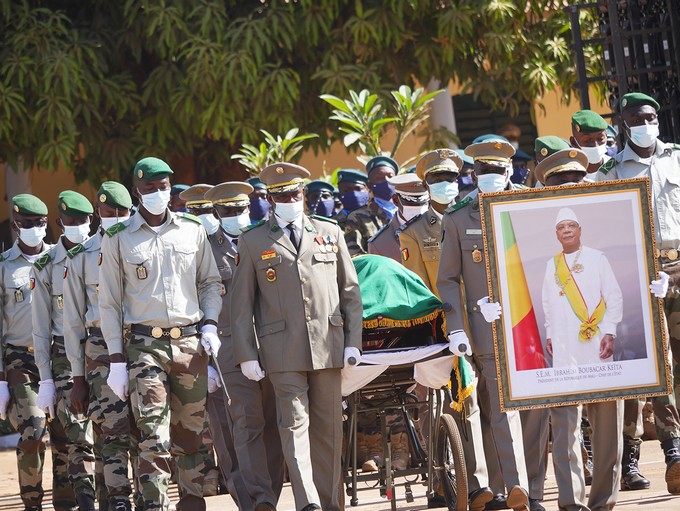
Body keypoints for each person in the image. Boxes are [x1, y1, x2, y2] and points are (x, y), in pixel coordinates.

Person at [230, 162, 363, 511]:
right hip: (281, 349)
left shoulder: (330, 232)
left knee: (328, 430)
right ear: (271, 200)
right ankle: (308, 503)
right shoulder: (254, 239)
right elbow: (241, 304)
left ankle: (330, 502)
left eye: (293, 193)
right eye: (281, 195)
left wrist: (353, 341)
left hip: (328, 344)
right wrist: (246, 354)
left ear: (303, 193)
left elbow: (349, 290)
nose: (289, 199)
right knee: (293, 425)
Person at [98, 157, 222, 511]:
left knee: (191, 437)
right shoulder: (118, 239)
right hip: (144, 347)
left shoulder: (191, 229)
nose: (158, 193)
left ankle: (191, 503)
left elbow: (210, 282)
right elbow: (109, 304)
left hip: (189, 345)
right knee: (153, 434)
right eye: (150, 188)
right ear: (137, 191)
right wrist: (117, 360)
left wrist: (210, 324)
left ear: (171, 188)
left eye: (163, 187)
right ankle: (155, 505)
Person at [437, 139, 532, 511]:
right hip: (486, 329)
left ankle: (521, 482)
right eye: (482, 171)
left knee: (532, 412)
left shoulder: (529, 204)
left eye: (496, 170)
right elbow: (448, 279)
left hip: (533, 325)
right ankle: (516, 486)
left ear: (510, 170)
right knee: (501, 408)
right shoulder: (459, 217)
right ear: (472, 173)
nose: (489, 176)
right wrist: (459, 323)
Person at [597, 92, 680, 493]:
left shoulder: (676, 157)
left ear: (657, 118)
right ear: (624, 125)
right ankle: (640, 457)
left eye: (649, 116)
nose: (644, 123)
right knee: (646, 369)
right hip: (637, 277)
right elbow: (599, 223)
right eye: (635, 118)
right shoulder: (611, 171)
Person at [202, 182, 285, 511]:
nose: (235, 216)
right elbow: (198, 302)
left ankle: (270, 497)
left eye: (240, 209)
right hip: (229, 350)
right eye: (228, 211)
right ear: (217, 213)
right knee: (246, 423)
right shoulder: (205, 250)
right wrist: (204, 357)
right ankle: (258, 501)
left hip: (271, 346)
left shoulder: (265, 240)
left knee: (274, 427)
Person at [63, 182, 137, 511]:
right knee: (113, 431)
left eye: (123, 213)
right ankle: (119, 500)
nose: (117, 218)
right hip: (101, 351)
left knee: (148, 427)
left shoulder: (143, 243)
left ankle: (149, 499)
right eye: (110, 213)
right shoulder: (81, 257)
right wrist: (77, 377)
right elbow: (73, 323)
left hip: (141, 341)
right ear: (98, 214)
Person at [0, 194, 77, 511]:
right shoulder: (4, 267)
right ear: (16, 227)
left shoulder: (62, 260)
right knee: (33, 428)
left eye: (40, 223)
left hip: (59, 355)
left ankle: (66, 501)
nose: (34, 228)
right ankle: (32, 503)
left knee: (64, 431)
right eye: (27, 224)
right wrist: (1, 380)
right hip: (21, 358)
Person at [32, 190, 97, 511]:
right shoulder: (46, 264)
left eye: (83, 220)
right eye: (71, 221)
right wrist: (45, 379)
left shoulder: (104, 252)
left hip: (103, 350)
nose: (78, 226)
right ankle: (85, 500)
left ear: (92, 220)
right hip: (64, 359)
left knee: (109, 431)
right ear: (59, 224)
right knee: (78, 429)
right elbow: (40, 327)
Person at [401, 148, 462, 296]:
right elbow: (420, 289)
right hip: (446, 314)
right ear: (424, 185)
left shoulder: (474, 219)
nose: (445, 184)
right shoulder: (413, 233)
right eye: (437, 180)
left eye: (450, 179)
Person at [368, 173, 428, 262]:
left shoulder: (443, 229)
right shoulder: (379, 243)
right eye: (411, 201)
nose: (418, 206)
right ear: (396, 200)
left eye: (423, 202)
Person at [345, 157, 395, 255]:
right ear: (370, 184)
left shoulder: (409, 209)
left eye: (390, 176)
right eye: (379, 177)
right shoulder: (357, 217)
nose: (386, 180)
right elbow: (355, 255)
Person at [570, 110, 610, 177]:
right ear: (574, 143)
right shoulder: (569, 174)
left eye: (600, 139)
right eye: (587, 140)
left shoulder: (618, 168)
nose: (595, 145)